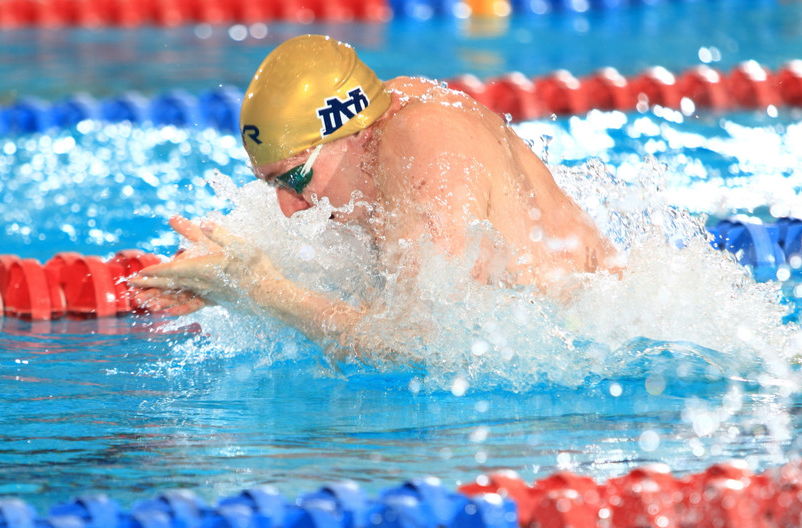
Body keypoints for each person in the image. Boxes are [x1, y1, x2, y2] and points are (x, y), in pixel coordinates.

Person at [130, 34, 620, 358]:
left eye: (294, 179)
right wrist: (226, 279)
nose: (288, 208)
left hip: (594, 346)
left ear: (353, 133)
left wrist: (264, 290)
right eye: (272, 185)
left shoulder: (427, 143)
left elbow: (423, 345)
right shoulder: (369, 137)